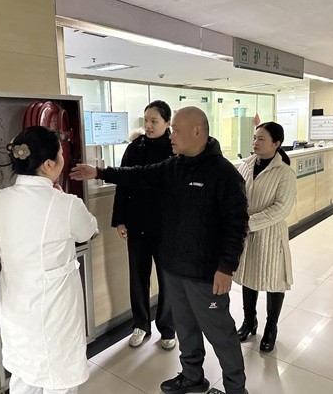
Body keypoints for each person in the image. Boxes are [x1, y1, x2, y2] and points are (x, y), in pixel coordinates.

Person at [71, 106, 249, 394]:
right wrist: (100, 172)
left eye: (176, 129)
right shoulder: (173, 167)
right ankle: (192, 377)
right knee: (185, 328)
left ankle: (236, 389)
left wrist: (226, 267)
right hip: (174, 267)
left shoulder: (224, 174)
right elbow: (138, 175)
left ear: (197, 131)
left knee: (221, 334)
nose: (171, 135)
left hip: (205, 273)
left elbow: (237, 224)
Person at [0, 126, 98, 394]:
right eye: (61, 154)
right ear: (48, 165)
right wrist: (58, 196)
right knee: (59, 380)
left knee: (24, 377)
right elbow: (88, 231)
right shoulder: (66, 204)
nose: (63, 159)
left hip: (16, 308)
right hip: (55, 312)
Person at [111, 100, 176, 349]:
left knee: (167, 278)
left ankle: (168, 328)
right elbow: (123, 184)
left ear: (167, 123)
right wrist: (120, 220)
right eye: (146, 120)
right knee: (137, 277)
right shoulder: (134, 148)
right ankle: (140, 324)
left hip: (166, 226)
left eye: (154, 121)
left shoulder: (175, 148)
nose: (148, 125)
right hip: (137, 222)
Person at [234, 122, 297, 353]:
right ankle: (249, 321)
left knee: (274, 280)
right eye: (254, 138)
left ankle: (271, 327)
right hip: (247, 235)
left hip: (270, 234)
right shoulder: (246, 165)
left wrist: (247, 223)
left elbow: (281, 208)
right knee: (248, 277)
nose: (255, 142)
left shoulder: (285, 173)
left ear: (276, 144)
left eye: (261, 139)